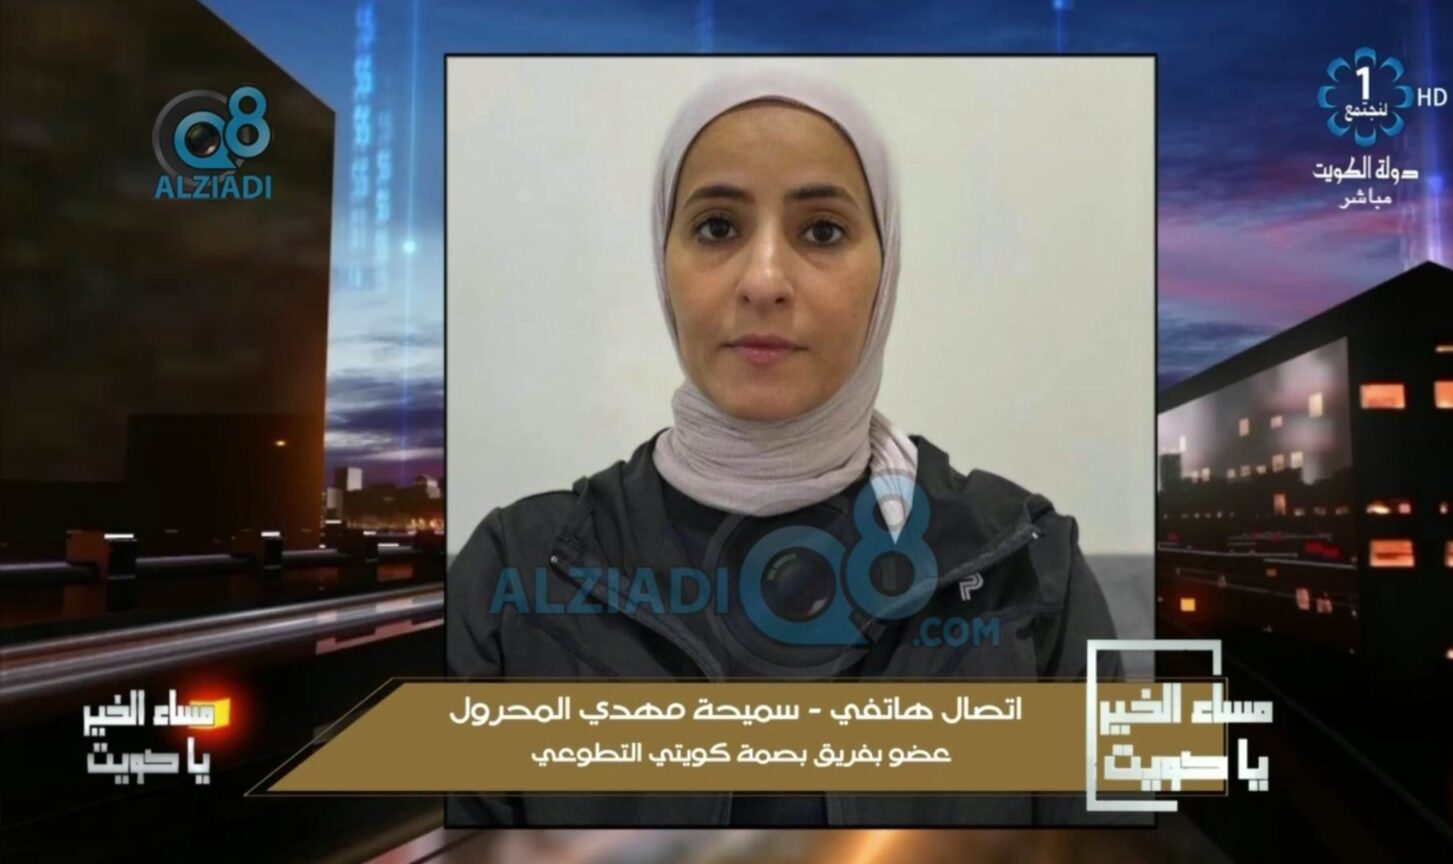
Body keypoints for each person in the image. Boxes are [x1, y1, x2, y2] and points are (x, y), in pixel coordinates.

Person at [447, 70, 1128, 827]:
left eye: (822, 232)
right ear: (663, 261)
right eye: (717, 228)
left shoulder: (1029, 565)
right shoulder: (515, 574)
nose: (764, 280)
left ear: (886, 270)